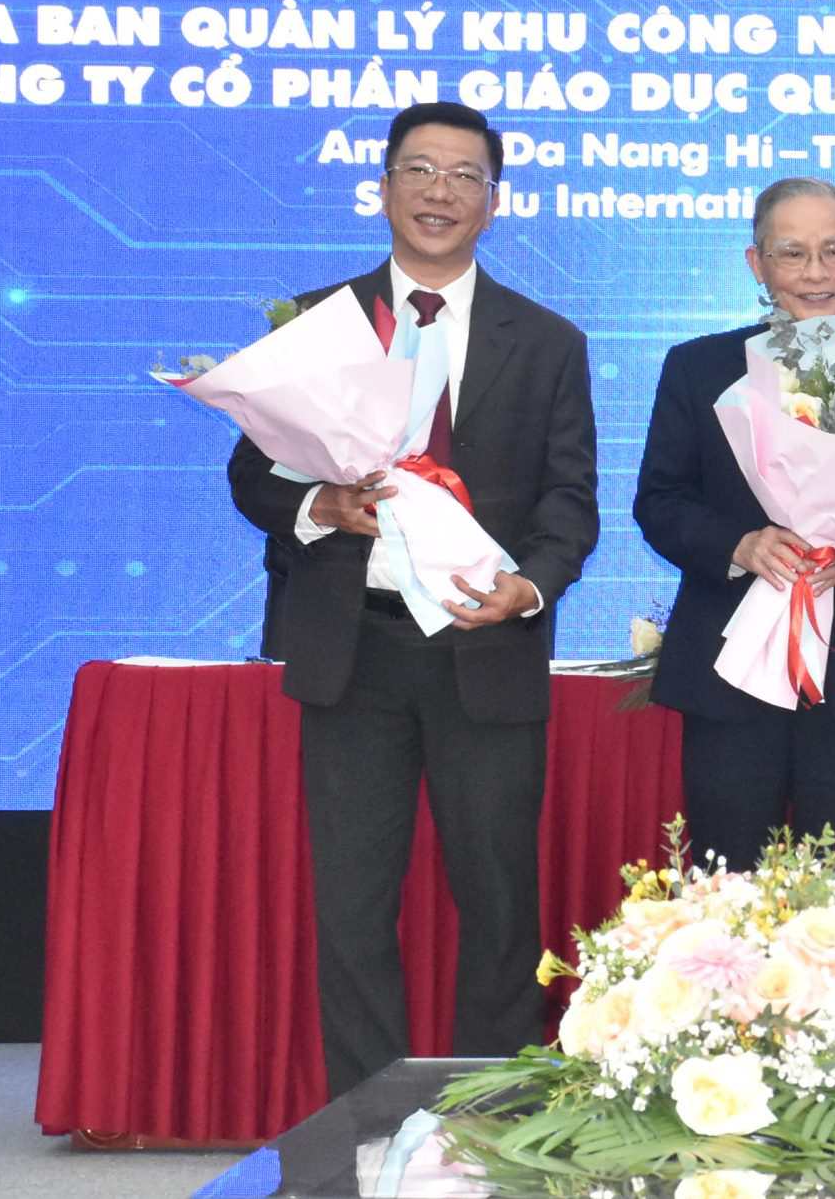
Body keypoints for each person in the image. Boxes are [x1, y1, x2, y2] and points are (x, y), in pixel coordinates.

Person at [227, 101, 599, 1098]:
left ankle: (495, 1115)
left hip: (486, 652)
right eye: (421, 170)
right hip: (355, 650)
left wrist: (531, 586)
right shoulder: (319, 322)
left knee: (499, 905)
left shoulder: (549, 340)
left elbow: (570, 501)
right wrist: (320, 504)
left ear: (493, 202)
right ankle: (369, 1121)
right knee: (351, 907)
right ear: (384, 187)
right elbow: (253, 478)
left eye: (464, 176)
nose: (441, 191)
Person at [633, 177, 835, 872]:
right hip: (729, 674)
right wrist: (739, 545)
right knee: (723, 893)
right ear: (758, 265)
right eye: (792, 253)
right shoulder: (699, 368)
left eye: (834, 251)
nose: (815, 272)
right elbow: (660, 501)